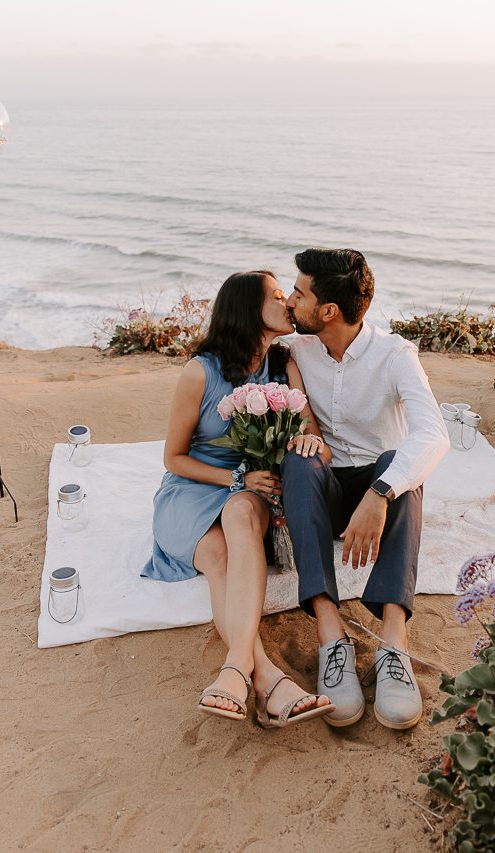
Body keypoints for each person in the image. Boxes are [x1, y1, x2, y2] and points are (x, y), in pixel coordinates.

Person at [142, 270, 336, 728]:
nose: (288, 301)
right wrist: (236, 476)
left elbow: (315, 436)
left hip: (248, 497)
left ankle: (235, 673)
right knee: (220, 558)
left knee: (245, 512)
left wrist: (306, 448)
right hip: (192, 491)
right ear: (248, 308)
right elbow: (173, 458)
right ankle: (264, 676)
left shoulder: (283, 365)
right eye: (275, 295)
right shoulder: (200, 372)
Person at [282, 248, 450, 730]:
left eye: (299, 293)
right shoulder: (296, 349)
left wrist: (379, 494)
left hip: (378, 492)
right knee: (300, 454)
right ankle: (331, 633)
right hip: (325, 488)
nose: (291, 301)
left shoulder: (394, 355)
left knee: (402, 464)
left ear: (328, 310)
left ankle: (393, 642)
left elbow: (434, 434)